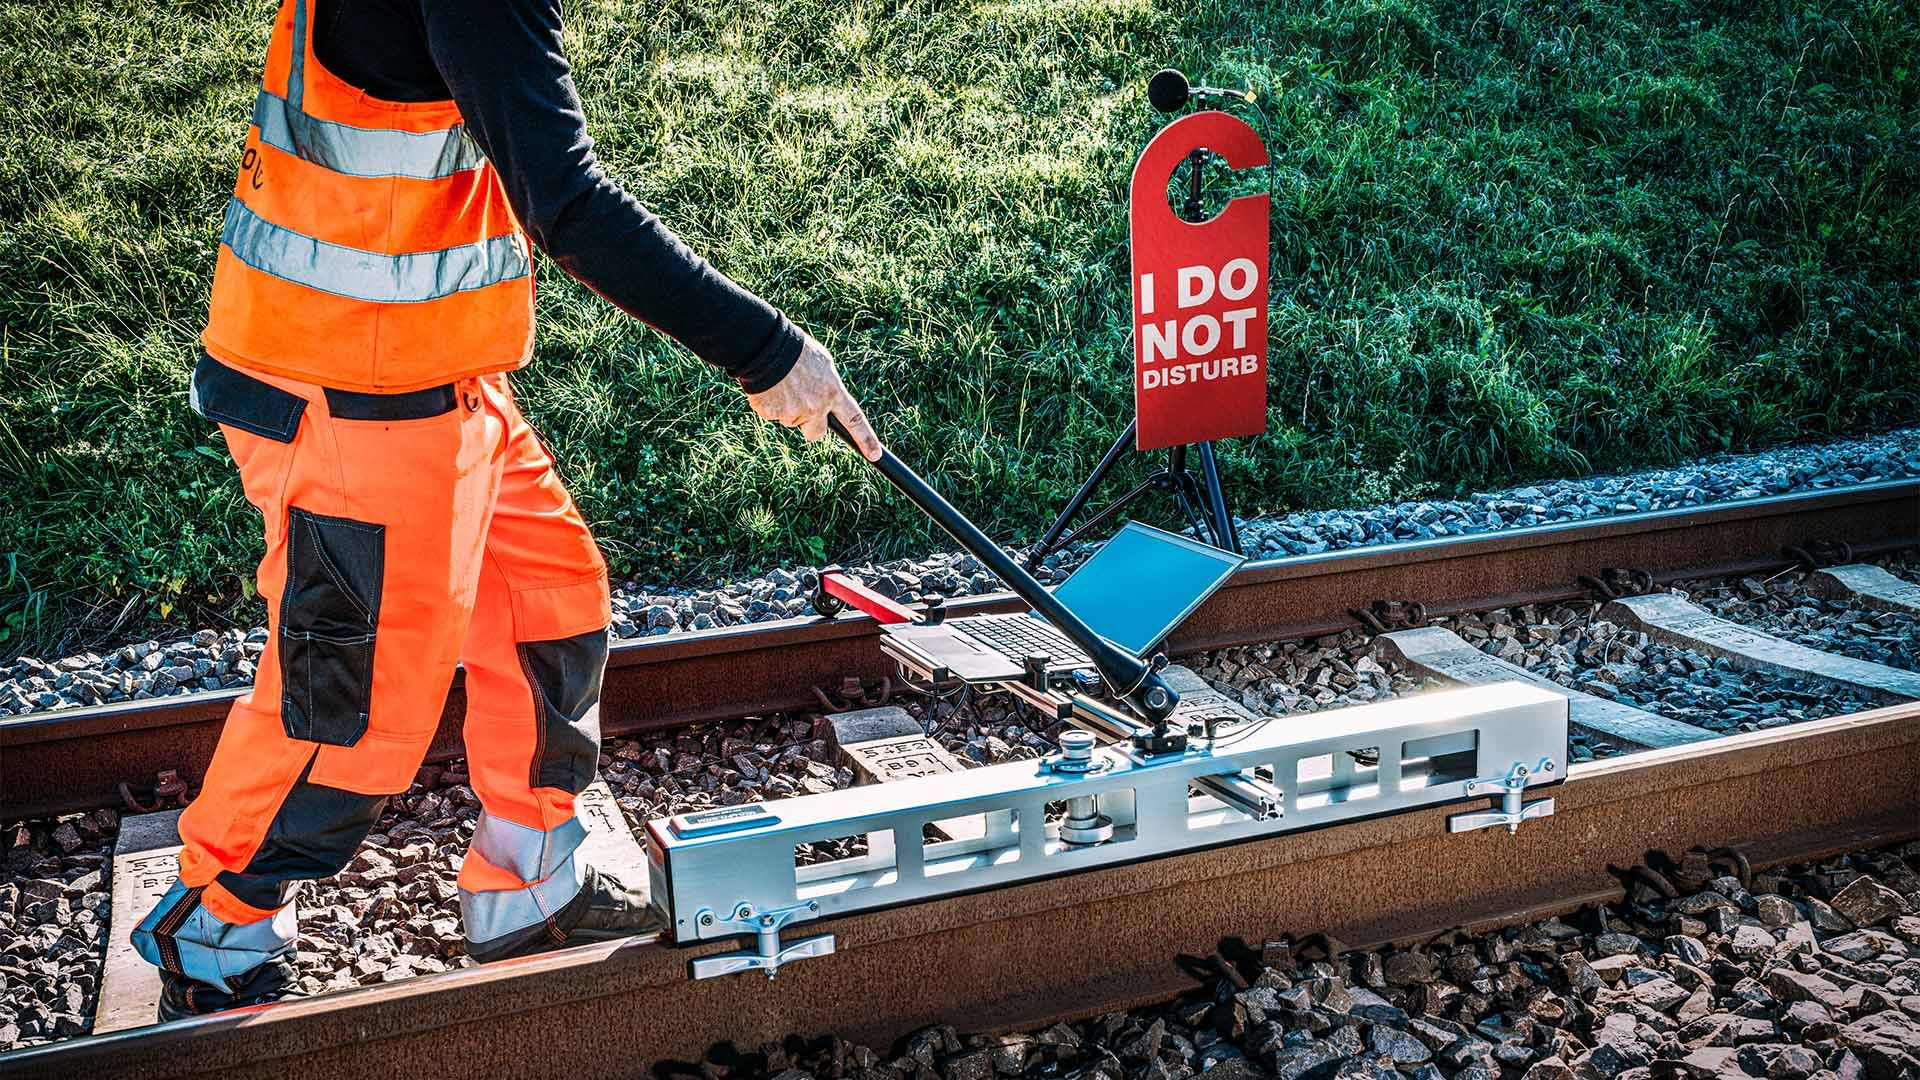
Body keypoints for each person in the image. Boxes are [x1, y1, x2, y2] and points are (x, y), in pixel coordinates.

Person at [131, 0, 884, 1020]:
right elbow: (565, 201)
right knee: (352, 708)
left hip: (432, 367)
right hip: (345, 389)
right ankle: (215, 923)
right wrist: (767, 352)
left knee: (548, 603)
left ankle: (529, 883)